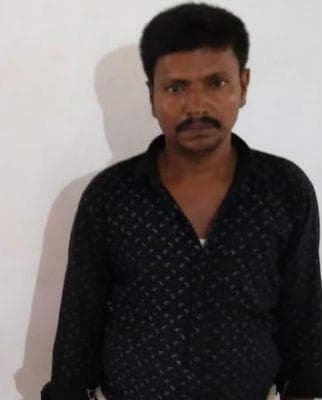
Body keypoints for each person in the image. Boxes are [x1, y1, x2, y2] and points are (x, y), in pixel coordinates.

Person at [42, 3, 322, 400]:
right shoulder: (110, 198)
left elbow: (303, 325)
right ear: (152, 96)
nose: (196, 106)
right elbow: (78, 330)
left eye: (216, 83)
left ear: (243, 85)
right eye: (176, 88)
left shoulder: (284, 190)